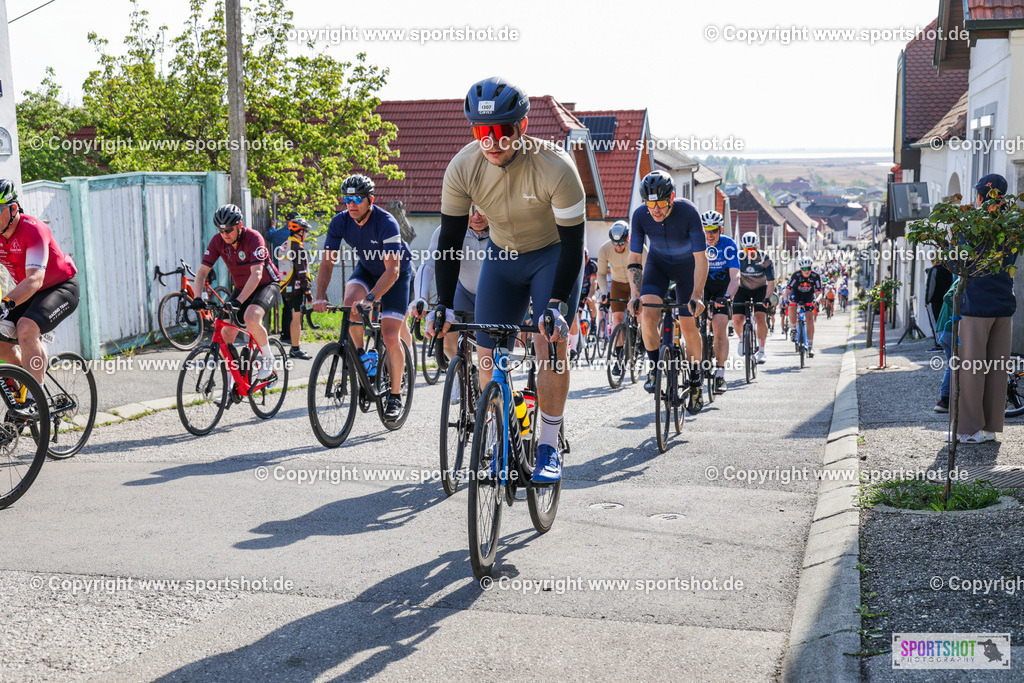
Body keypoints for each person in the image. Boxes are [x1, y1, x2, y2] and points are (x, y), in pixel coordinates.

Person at [431, 77, 585, 483]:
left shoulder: (556, 167)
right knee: (485, 355)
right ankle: (504, 430)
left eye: (502, 131)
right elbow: (448, 242)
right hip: (502, 258)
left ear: (524, 126)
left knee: (549, 340)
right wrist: (442, 304)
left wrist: (555, 306)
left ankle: (549, 445)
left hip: (553, 256)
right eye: (483, 132)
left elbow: (572, 247)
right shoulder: (463, 167)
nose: (492, 141)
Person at [312, 174, 413, 421]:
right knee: (350, 304)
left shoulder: (387, 222)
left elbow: (393, 271)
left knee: (390, 335)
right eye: (347, 199)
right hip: (367, 269)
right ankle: (363, 358)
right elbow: (326, 263)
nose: (352, 204)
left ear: (370, 200)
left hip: (395, 275)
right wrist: (320, 296)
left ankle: (395, 396)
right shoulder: (340, 222)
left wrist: (371, 298)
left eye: (357, 198)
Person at [627, 170, 708, 412]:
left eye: (661, 203)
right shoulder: (640, 216)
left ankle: (695, 381)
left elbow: (701, 259)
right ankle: (654, 368)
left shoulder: (688, 212)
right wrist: (634, 295)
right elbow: (634, 258)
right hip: (658, 265)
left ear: (671, 198)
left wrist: (697, 296)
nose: (656, 209)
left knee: (688, 325)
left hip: (687, 268)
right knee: (648, 316)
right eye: (650, 203)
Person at [950, 173, 1017, 443]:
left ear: (980, 196)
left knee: (970, 369)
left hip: (976, 306)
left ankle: (968, 430)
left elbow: (957, 265)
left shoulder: (970, 226)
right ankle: (990, 428)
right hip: (1003, 304)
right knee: (997, 369)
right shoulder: (1012, 227)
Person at [0, 179, 80, 396]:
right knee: (1, 344)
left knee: (26, 329)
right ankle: (19, 393)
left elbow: (35, 279)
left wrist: (5, 303)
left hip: (61, 288)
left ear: (13, 208)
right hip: (29, 293)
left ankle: (37, 398)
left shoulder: (33, 230)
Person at [194, 204, 281, 380]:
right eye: (221, 230)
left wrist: (239, 302)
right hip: (242, 287)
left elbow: (256, 274)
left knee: (251, 317)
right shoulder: (218, 241)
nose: (225, 234)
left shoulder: (254, 238)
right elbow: (202, 272)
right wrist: (197, 298)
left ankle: (268, 359)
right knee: (225, 332)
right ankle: (232, 383)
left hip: (266, 284)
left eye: (229, 229)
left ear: (239, 225)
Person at [409, 203, 490, 363]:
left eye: (482, 209)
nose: (476, 216)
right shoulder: (446, 230)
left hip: (493, 296)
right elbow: (428, 265)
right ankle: (462, 373)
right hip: (463, 292)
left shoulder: (502, 232)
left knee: (492, 354)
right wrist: (420, 298)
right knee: (447, 340)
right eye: (471, 210)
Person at [596, 220, 647, 372]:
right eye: (615, 243)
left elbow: (648, 270)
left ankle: (640, 341)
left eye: (622, 243)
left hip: (636, 284)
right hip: (618, 284)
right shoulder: (604, 249)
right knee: (617, 319)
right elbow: (601, 274)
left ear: (628, 239)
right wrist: (604, 292)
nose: (618, 247)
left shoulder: (639, 248)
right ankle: (618, 358)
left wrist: (641, 293)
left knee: (638, 315)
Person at [701, 210, 740, 393]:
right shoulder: (698, 242)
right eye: (706, 230)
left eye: (714, 231)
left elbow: (736, 276)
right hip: (702, 286)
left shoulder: (728, 245)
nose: (709, 235)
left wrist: (727, 296)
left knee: (719, 327)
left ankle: (720, 374)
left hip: (722, 288)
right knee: (690, 323)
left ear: (720, 229)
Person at [733, 231, 775, 364]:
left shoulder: (765, 259)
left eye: (752, 249)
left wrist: (767, 298)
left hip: (760, 290)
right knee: (737, 319)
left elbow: (771, 282)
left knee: (760, 317)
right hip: (742, 289)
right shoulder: (738, 257)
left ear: (757, 247)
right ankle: (742, 340)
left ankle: (761, 351)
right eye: (746, 249)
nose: (749, 251)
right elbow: (732, 276)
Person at [278, 215, 312, 360]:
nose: (306, 234)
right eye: (305, 231)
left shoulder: (286, 244)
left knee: (293, 317)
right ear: (299, 232)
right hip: (296, 288)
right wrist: (308, 290)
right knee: (297, 318)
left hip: (285, 287)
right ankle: (295, 348)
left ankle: (294, 346)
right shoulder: (298, 247)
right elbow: (302, 271)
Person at [784, 256, 822, 356]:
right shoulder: (796, 275)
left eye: (809, 268)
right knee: (792, 306)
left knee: (809, 318)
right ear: (800, 269)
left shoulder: (815, 276)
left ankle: (810, 346)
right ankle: (793, 329)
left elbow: (819, 293)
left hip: (809, 296)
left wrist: (817, 300)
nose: (807, 271)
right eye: (804, 269)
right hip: (796, 293)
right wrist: (785, 300)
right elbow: (787, 290)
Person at [933, 277, 957, 413]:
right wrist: (962, 310)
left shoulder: (960, 279)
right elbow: (948, 297)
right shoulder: (964, 280)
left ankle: (945, 400)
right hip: (950, 329)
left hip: (943, 329)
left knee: (953, 364)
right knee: (955, 364)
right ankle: (945, 400)